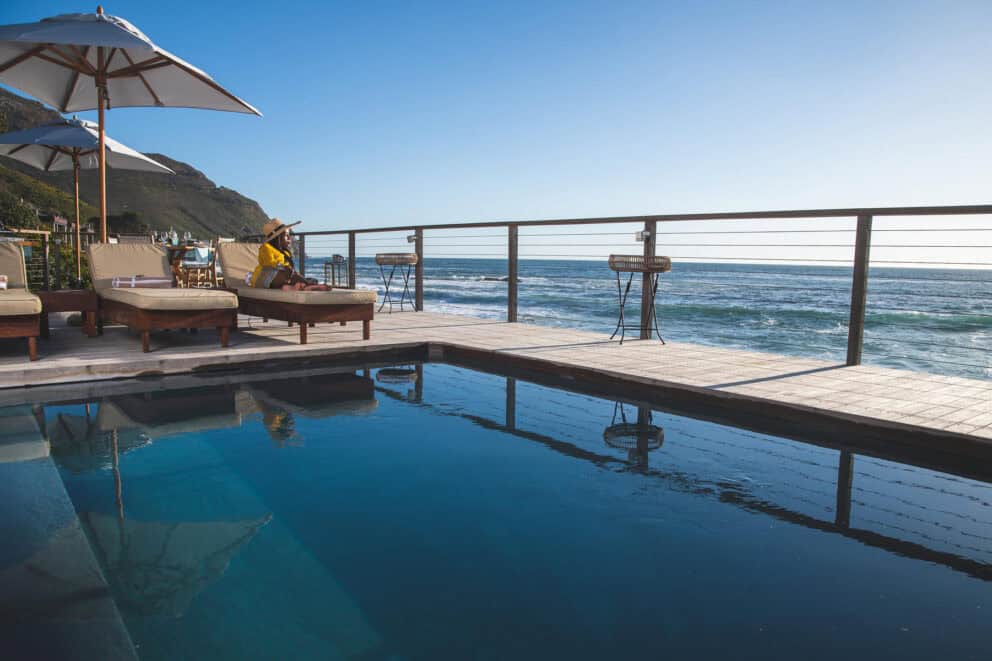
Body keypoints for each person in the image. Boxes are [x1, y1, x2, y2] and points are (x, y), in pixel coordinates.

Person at [251, 219, 330, 291]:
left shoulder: (285, 252)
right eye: (286, 235)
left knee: (291, 274)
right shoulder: (266, 248)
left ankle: (295, 287)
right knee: (286, 272)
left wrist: (290, 271)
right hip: (263, 279)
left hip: (279, 280)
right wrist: (285, 268)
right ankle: (308, 285)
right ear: (278, 238)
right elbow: (269, 263)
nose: (289, 238)